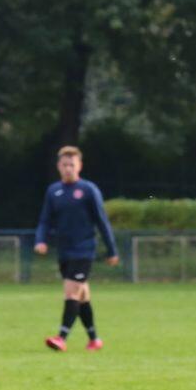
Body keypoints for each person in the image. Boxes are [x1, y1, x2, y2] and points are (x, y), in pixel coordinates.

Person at [34, 146, 119, 352]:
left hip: (84, 250)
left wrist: (112, 250)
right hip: (64, 251)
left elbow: (102, 221)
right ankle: (94, 339)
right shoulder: (53, 191)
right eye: (64, 165)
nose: (68, 168)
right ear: (58, 166)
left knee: (71, 291)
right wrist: (40, 240)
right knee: (82, 296)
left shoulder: (88, 190)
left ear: (79, 166)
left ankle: (61, 338)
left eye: (72, 165)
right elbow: (45, 220)